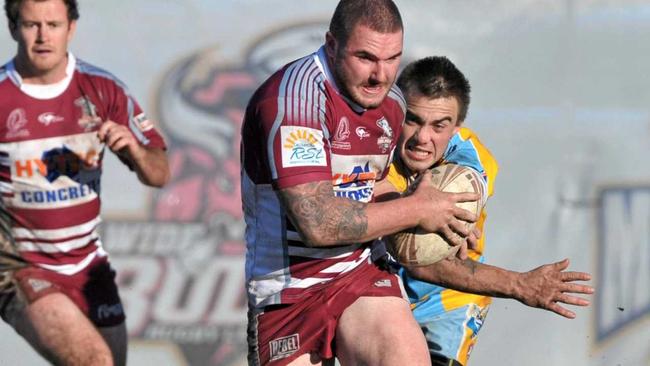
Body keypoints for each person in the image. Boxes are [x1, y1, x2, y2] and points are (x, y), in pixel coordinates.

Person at [240, 1, 486, 365]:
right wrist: (417, 208)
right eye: (366, 57)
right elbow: (319, 224)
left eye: (392, 59)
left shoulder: (392, 103)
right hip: (289, 291)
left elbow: (374, 183)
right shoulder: (294, 102)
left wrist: (439, 218)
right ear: (332, 44)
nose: (381, 76)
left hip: (359, 272)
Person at [380, 56, 594, 365]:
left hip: (446, 304)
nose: (422, 138)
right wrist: (520, 284)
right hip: (378, 298)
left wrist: (451, 217)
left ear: (456, 128)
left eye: (439, 126)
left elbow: (427, 258)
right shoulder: (369, 151)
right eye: (412, 120)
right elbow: (414, 259)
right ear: (395, 111)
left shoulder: (471, 157)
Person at [0, 0, 170, 365]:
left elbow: (159, 174)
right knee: (96, 362)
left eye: (53, 24)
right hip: (19, 265)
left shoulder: (102, 89)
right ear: (13, 27)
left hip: (86, 264)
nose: (43, 36)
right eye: (31, 25)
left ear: (71, 27)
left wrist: (136, 151)